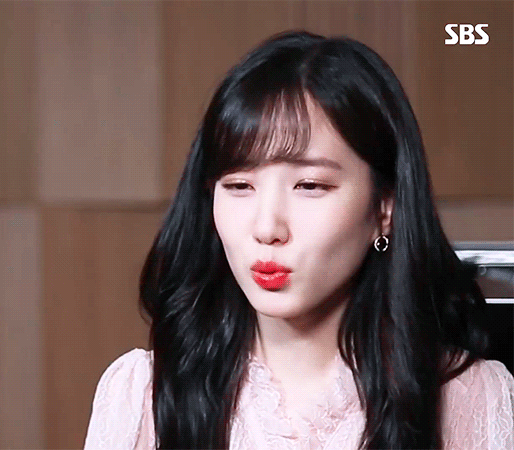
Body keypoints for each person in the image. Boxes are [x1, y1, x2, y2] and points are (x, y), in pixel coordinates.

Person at [83, 30, 514, 450]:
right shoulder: (141, 395)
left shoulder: (469, 397)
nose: (267, 228)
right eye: (239, 185)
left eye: (309, 185)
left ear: (385, 208)